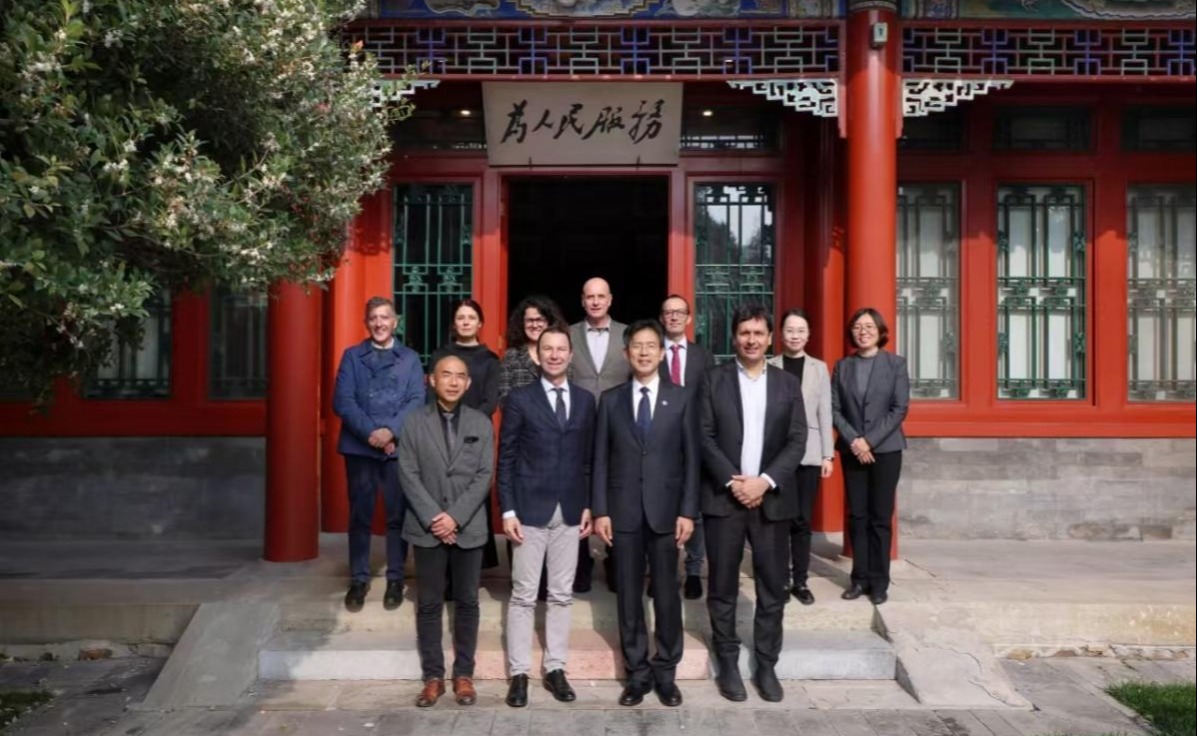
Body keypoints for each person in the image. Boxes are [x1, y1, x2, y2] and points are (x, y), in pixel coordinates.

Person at [699, 304, 806, 704]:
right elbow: (704, 436)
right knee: (722, 586)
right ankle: (727, 661)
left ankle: (766, 663)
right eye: (744, 333)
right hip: (724, 500)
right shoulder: (713, 380)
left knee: (772, 587)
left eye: (759, 333)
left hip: (772, 499)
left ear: (770, 338)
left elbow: (797, 439)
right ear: (734, 337)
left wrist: (764, 481)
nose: (751, 340)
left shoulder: (786, 384)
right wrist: (734, 481)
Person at [593, 319, 699, 708]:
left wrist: (688, 511)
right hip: (623, 512)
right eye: (636, 346)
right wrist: (601, 510)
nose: (643, 352)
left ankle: (666, 672)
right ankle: (637, 673)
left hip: (667, 513)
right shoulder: (611, 400)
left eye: (651, 345)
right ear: (626, 353)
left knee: (668, 593)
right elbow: (600, 459)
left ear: (662, 352)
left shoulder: (681, 398)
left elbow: (692, 460)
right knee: (628, 596)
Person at [497, 326, 597, 708]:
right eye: (548, 349)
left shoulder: (586, 401)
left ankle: (556, 668)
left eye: (561, 349)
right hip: (528, 510)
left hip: (570, 510)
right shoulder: (519, 399)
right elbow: (506, 458)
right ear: (537, 356)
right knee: (524, 595)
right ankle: (519, 673)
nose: (554, 355)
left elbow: (587, 459)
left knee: (561, 594)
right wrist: (508, 509)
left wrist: (588, 503)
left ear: (571, 355)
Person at [397, 355, 494, 708]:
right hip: (427, 527)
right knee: (429, 603)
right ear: (432, 380)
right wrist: (436, 518)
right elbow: (408, 473)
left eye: (460, 376)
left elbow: (484, 475)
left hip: (468, 525)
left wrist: (455, 517)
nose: (453, 382)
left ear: (468, 384)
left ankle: (464, 674)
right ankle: (433, 677)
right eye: (446, 375)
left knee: (467, 601)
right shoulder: (413, 422)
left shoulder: (481, 422)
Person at [332, 296, 426, 612]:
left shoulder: (410, 358)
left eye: (385, 317)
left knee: (397, 515)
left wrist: (391, 432)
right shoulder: (352, 356)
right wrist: (373, 434)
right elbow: (343, 401)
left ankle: (396, 578)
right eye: (373, 318)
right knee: (360, 515)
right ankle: (359, 578)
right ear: (366, 322)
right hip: (360, 447)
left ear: (395, 322)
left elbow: (416, 399)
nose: (379, 323)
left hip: (397, 448)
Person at [831, 307, 909, 607]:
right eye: (858, 327)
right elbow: (834, 409)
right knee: (857, 515)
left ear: (880, 331)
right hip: (852, 450)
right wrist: (855, 440)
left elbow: (899, 408)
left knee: (880, 517)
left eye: (869, 326)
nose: (863, 331)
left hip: (886, 450)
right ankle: (858, 578)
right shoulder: (843, 366)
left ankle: (879, 581)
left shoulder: (896, 364)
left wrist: (870, 441)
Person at [767, 309, 834, 606]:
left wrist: (828, 455)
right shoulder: (771, 365)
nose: (795, 335)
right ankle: (781, 579)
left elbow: (825, 412)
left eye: (801, 330)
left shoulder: (819, 368)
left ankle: (801, 580)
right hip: (777, 453)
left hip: (809, 452)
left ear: (808, 335)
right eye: (790, 330)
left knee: (802, 520)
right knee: (779, 519)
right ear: (781, 334)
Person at [568, 277, 631, 593]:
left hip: (619, 426)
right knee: (577, 491)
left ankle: (615, 559)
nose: (595, 302)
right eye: (589, 296)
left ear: (610, 299)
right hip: (577, 427)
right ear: (582, 300)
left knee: (616, 491)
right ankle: (580, 564)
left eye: (600, 296)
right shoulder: (567, 335)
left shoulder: (627, 335)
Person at [429, 298, 501, 573]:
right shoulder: (440, 355)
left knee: (474, 494)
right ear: (454, 323)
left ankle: (474, 564)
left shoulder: (490, 360)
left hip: (475, 437)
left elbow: (490, 401)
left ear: (480, 323)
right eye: (461, 317)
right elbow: (430, 397)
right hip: (442, 433)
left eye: (471, 317)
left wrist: (466, 426)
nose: (466, 322)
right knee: (443, 492)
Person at [657, 293, 717, 600]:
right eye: (668, 312)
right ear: (662, 318)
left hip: (695, 440)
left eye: (679, 312)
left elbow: (710, 400)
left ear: (689, 318)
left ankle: (694, 569)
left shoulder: (702, 357)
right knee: (662, 506)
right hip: (660, 440)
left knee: (695, 508)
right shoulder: (652, 352)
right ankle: (664, 570)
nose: (674, 317)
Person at [497, 295, 568, 406]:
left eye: (539, 320)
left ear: (549, 322)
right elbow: (503, 396)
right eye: (529, 320)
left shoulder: (561, 354)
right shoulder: (512, 356)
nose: (534, 325)